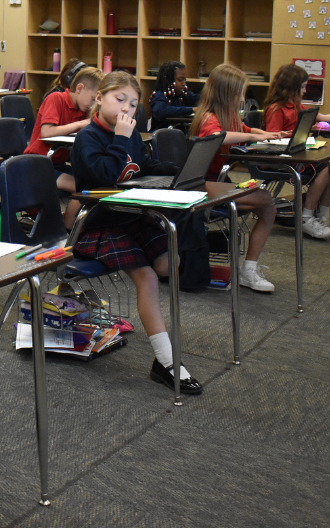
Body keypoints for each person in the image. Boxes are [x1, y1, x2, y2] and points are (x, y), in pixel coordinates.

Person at [70, 71, 202, 394]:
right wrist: (118, 138)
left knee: (169, 263)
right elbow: (106, 175)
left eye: (132, 103)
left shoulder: (128, 134)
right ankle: (166, 361)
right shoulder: (88, 138)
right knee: (148, 277)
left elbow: (139, 167)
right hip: (100, 222)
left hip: (131, 216)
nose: (127, 109)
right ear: (99, 98)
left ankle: (161, 340)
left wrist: (173, 171)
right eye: (119, 100)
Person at [190, 64, 282, 292]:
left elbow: (244, 127)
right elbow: (217, 136)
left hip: (217, 181)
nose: (243, 98)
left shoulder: (227, 116)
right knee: (265, 197)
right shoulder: (209, 118)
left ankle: (248, 270)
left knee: (269, 208)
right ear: (226, 93)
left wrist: (268, 135)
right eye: (240, 92)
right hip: (196, 185)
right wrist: (252, 135)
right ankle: (247, 271)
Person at [264, 63, 330, 239]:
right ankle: (306, 217)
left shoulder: (297, 106)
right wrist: (295, 134)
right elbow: (272, 138)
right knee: (327, 168)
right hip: (284, 159)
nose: (305, 91)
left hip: (299, 154)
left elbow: (324, 118)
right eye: (302, 87)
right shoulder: (277, 109)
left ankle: (320, 217)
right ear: (291, 88)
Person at [24, 65, 102, 195]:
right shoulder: (56, 98)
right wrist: (81, 124)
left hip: (59, 165)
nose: (92, 105)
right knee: (84, 189)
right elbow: (47, 132)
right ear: (79, 88)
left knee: (95, 184)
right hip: (36, 164)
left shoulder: (82, 109)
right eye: (93, 99)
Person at [150, 61, 200, 130]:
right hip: (162, 137)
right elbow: (161, 111)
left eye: (185, 80)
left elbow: (197, 98)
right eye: (180, 80)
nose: (184, 83)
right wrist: (192, 109)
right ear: (169, 80)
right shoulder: (159, 95)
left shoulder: (182, 94)